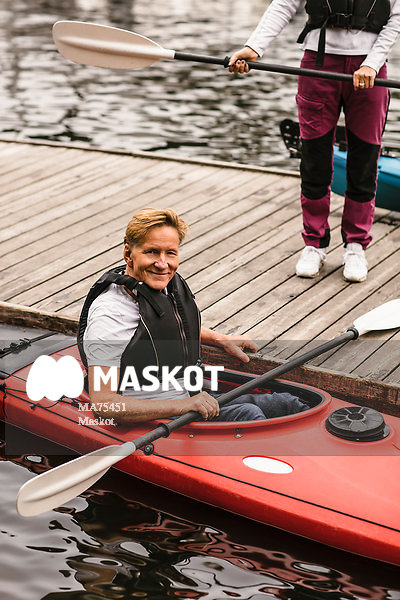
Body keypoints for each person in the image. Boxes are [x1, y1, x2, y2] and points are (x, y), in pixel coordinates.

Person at [78, 207, 308, 424]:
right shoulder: (110, 315)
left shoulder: (157, 284)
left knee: (287, 403)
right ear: (128, 254)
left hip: (189, 396)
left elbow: (164, 327)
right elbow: (104, 405)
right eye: (151, 252)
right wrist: (182, 406)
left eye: (170, 253)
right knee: (249, 414)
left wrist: (219, 338)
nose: (162, 264)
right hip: (161, 418)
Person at [229, 0, 400, 282]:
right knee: (314, 159)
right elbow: (284, 5)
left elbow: (396, 18)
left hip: (370, 69)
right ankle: (314, 243)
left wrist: (372, 63)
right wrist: (255, 47)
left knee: (365, 160)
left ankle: (356, 245)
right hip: (318, 64)